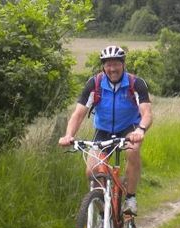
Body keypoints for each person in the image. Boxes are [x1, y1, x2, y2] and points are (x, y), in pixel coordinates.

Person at [59, 45, 152, 216]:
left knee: (133, 151)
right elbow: (78, 114)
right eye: (108, 64)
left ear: (123, 64)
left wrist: (140, 130)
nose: (112, 68)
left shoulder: (135, 83)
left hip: (129, 129)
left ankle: (130, 197)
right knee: (92, 171)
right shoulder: (94, 84)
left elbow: (146, 113)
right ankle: (104, 212)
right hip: (103, 131)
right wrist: (68, 135)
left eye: (116, 64)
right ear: (103, 66)